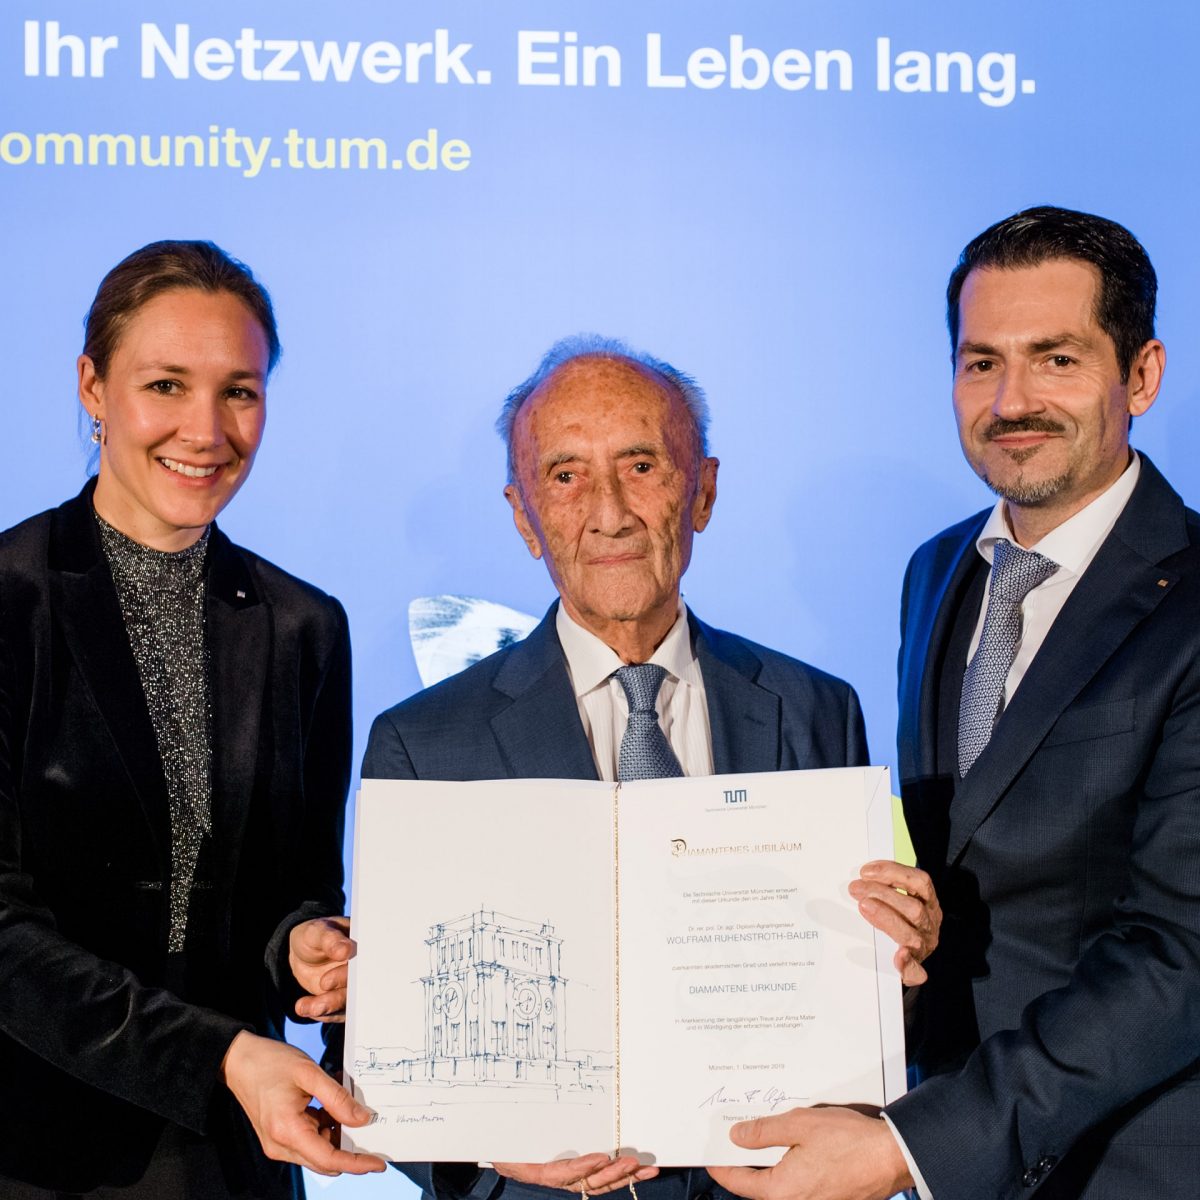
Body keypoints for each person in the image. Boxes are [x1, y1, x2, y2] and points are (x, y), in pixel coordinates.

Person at [303, 334, 940, 1200]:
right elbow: (374, 1044)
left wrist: (895, 968)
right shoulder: (422, 744)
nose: (609, 512)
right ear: (524, 516)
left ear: (703, 491)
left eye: (642, 465)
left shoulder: (817, 708)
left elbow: (858, 1007)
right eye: (564, 476)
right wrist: (484, 1150)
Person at [705, 206, 1200, 1200]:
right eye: (981, 363)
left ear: (1140, 375)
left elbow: (1179, 953)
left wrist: (912, 1148)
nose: (1012, 399)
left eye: (1056, 358)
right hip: (955, 1148)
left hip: (1129, 1164)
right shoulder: (939, 571)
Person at [0, 241, 386, 1197]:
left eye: (240, 392)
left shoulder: (305, 626)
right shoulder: (9, 603)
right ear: (93, 388)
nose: (206, 430)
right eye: (166, 385)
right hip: (31, 1145)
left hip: (231, 1156)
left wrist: (306, 946)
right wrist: (217, 1057)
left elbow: (293, 884)